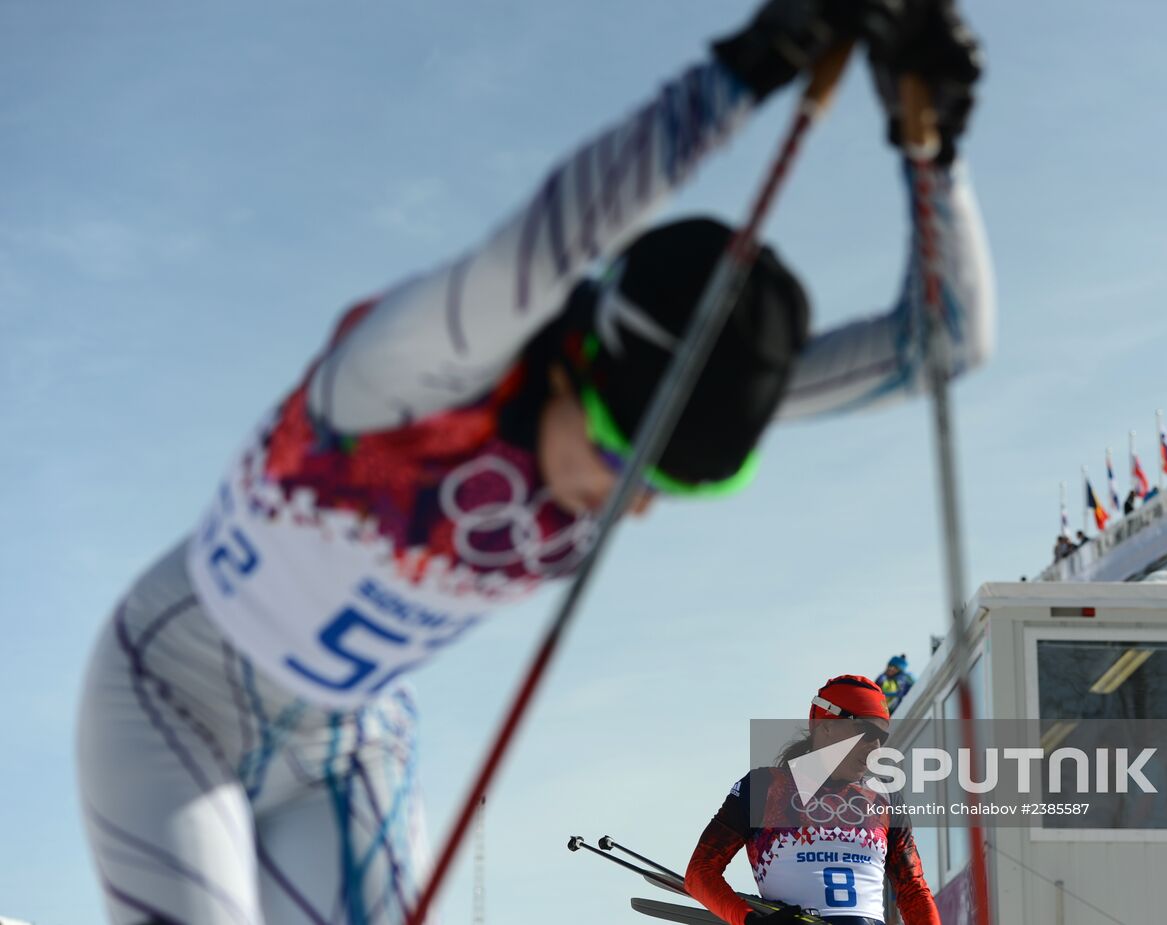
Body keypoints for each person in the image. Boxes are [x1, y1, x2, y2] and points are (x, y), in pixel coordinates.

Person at [75, 3, 988, 923]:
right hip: (177, 696)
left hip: (348, 744)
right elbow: (562, 228)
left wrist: (935, 144)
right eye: (616, 458)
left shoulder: (667, 410)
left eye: (658, 486)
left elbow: (938, 345)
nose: (623, 503)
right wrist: (754, 64)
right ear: (578, 360)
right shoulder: (416, 369)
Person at [686, 676, 941, 925]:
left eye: (881, 738)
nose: (875, 746)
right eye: (865, 731)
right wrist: (748, 919)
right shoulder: (765, 787)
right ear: (825, 725)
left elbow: (913, 891)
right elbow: (700, 872)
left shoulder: (884, 798)